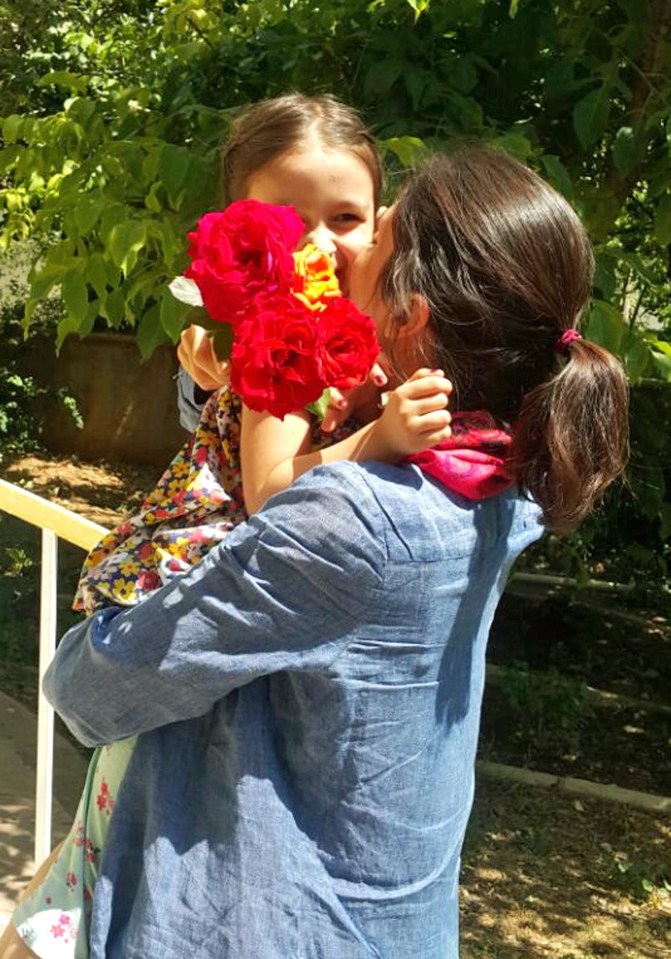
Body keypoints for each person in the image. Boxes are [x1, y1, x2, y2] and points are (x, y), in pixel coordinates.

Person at [7, 147, 628, 959]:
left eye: (375, 231)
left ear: (411, 319)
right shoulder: (496, 476)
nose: (345, 244)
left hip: (271, 922)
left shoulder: (353, 522)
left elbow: (94, 688)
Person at [1, 94, 452, 959]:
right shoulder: (284, 345)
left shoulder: (361, 339)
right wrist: (376, 437)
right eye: (286, 221)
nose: (319, 242)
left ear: (385, 223)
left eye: (347, 217)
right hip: (190, 629)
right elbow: (273, 494)